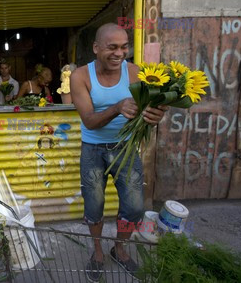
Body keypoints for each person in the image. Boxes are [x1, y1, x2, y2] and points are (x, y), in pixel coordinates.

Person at [70, 23, 168, 281]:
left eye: (124, 47)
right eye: (112, 47)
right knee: (94, 205)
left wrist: (155, 114)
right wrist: (117, 107)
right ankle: (98, 252)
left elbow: (147, 111)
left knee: (135, 208)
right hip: (92, 150)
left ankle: (120, 248)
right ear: (96, 48)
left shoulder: (135, 72)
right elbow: (89, 120)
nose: (119, 53)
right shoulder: (80, 76)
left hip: (125, 148)